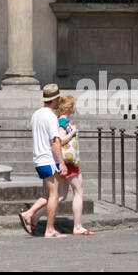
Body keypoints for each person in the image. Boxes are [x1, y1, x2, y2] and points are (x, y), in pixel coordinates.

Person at [20, 83, 67, 237]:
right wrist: (61, 162)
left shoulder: (36, 114)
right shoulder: (51, 116)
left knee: (48, 194)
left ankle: (31, 215)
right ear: (56, 99)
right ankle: (48, 227)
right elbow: (55, 141)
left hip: (39, 158)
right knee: (54, 194)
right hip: (48, 159)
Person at [54, 94, 93, 236]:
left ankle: (34, 215)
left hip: (66, 162)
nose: (75, 106)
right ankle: (77, 226)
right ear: (69, 106)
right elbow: (60, 140)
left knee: (61, 195)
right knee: (78, 192)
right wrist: (73, 132)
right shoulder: (62, 122)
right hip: (69, 162)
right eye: (73, 104)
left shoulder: (61, 121)